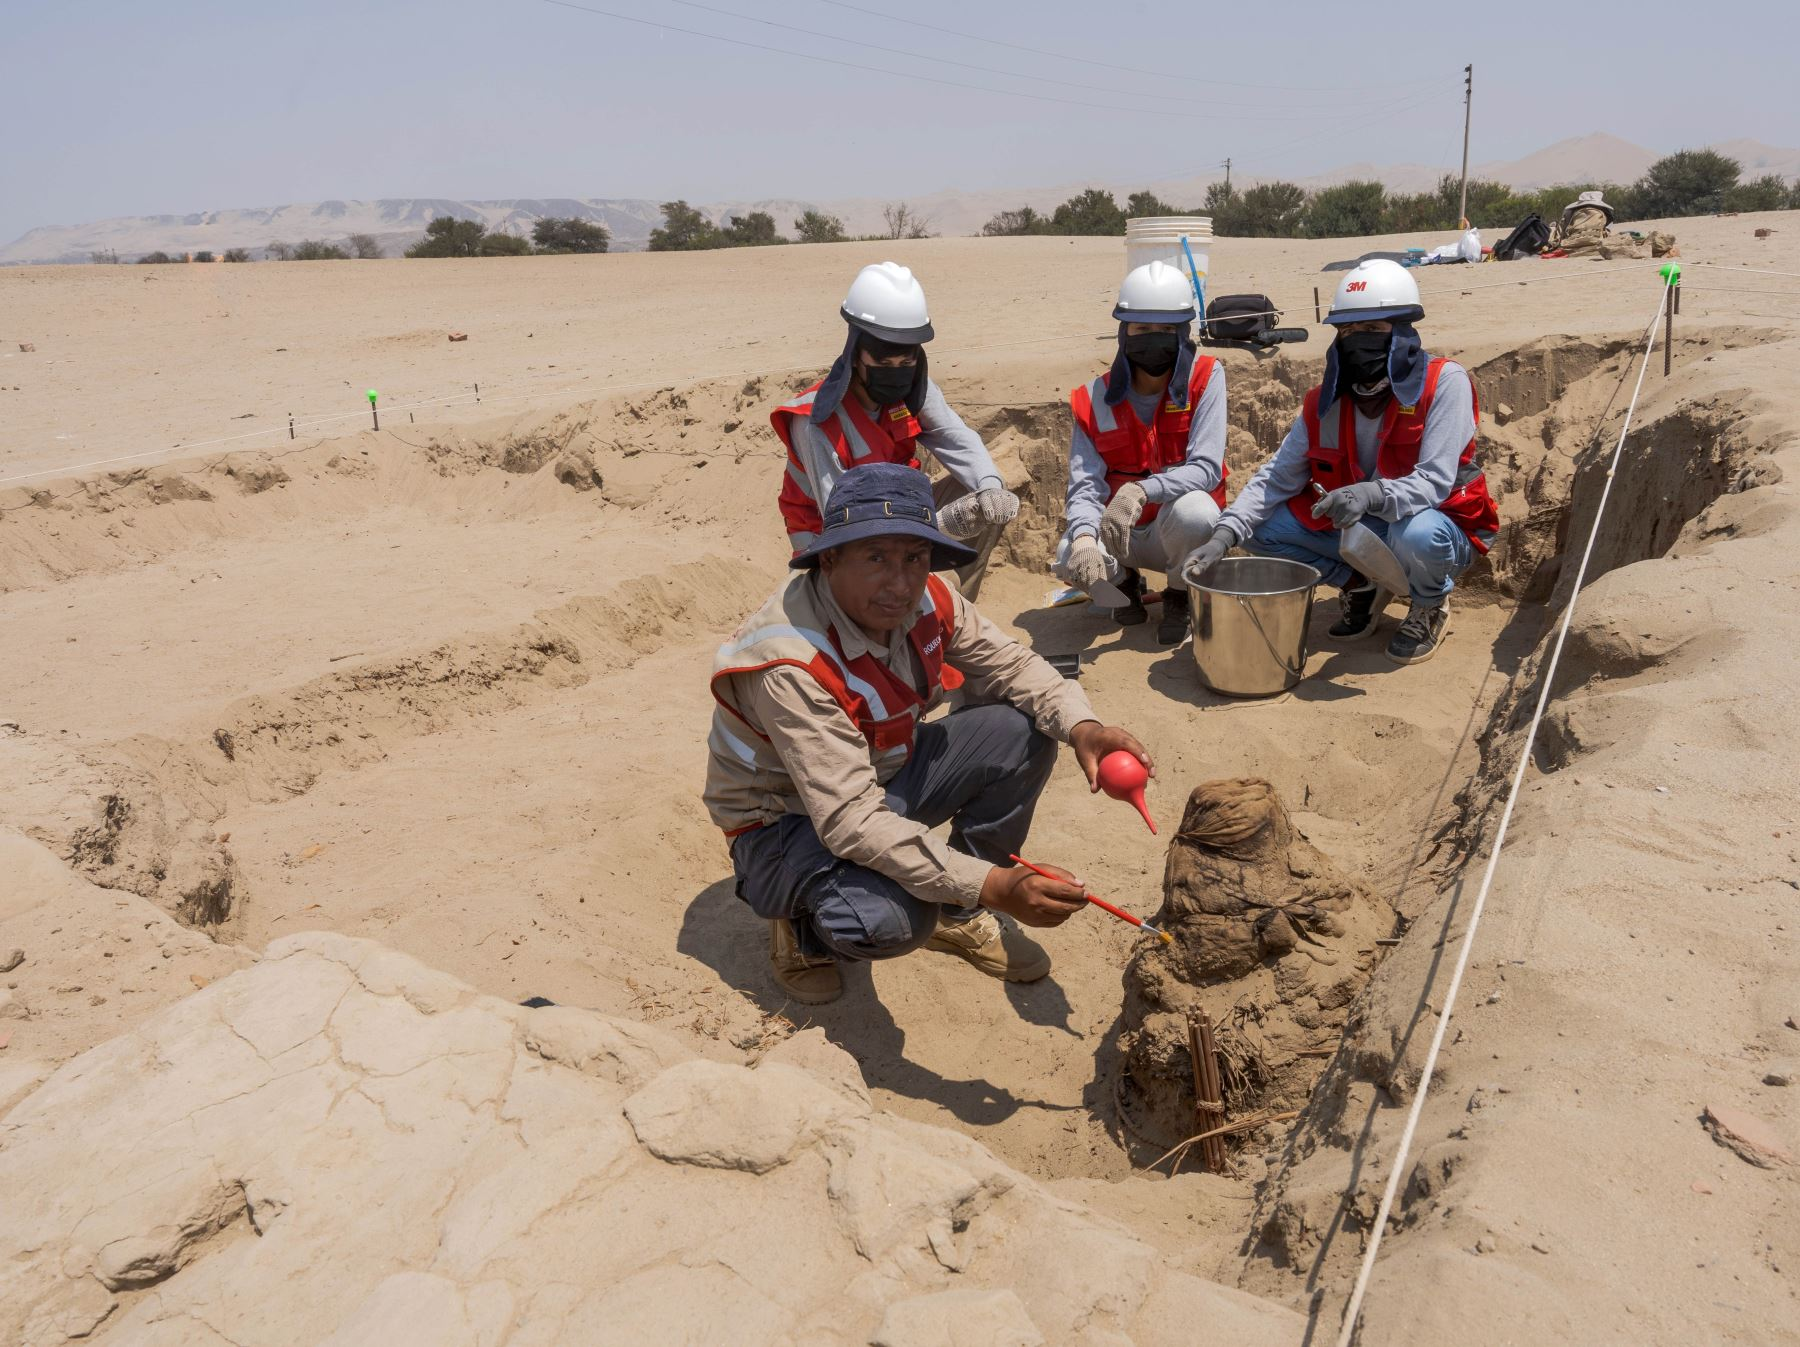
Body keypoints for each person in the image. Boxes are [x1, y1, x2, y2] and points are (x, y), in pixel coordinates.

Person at [705, 461, 1153, 1005]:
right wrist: (998, 886)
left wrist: (1083, 726)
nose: (899, 583)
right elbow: (848, 820)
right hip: (785, 822)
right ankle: (800, 928)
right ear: (829, 559)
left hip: (882, 773)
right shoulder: (791, 663)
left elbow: (1010, 663)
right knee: (891, 921)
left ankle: (959, 909)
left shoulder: (927, 597)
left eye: (914, 557)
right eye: (876, 558)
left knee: (1024, 731)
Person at [1182, 259, 1498, 666]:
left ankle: (1429, 604)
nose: (1356, 340)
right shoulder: (1325, 401)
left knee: (1416, 535)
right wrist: (1223, 537)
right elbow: (1276, 478)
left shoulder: (1444, 383)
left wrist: (1371, 492)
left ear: (1402, 332)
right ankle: (1361, 585)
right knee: (1260, 528)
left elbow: (1435, 482)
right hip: (1364, 525)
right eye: (1347, 331)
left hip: (1435, 522)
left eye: (1370, 330)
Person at [770, 262, 1020, 600]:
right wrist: (940, 525)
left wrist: (989, 487)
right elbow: (848, 526)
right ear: (855, 355)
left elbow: (957, 439)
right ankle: (927, 602)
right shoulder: (814, 420)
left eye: (906, 363)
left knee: (978, 490)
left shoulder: (913, 388)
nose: (897, 373)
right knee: (914, 580)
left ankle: (953, 611)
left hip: (903, 516)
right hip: (836, 546)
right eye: (884, 365)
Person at [1054, 260, 1228, 646]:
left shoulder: (1206, 377)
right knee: (1069, 552)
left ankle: (1180, 594)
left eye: (1166, 329)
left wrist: (1142, 490)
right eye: (1142, 328)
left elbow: (1206, 468)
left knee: (1196, 511)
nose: (1154, 338)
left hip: (1178, 533)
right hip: (1121, 531)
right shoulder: (1093, 398)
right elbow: (1085, 487)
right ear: (1124, 332)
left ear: (1183, 333)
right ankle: (1124, 583)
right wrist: (1084, 536)